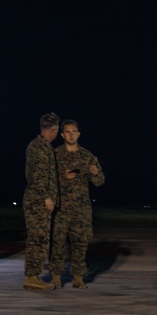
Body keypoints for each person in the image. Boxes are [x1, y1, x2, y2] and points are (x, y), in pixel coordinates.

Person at [50, 120, 105, 289]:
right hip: (61, 208)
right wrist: (62, 178)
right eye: (68, 132)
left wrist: (95, 173)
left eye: (74, 131)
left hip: (81, 209)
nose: (71, 134)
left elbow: (100, 181)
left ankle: (78, 277)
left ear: (79, 134)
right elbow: (47, 179)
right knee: (57, 243)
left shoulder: (88, 156)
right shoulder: (55, 155)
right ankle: (56, 277)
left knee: (80, 243)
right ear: (62, 135)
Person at [23, 112, 60, 291]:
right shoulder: (40, 147)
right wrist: (46, 195)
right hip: (37, 201)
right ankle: (32, 277)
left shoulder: (39, 146)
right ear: (54, 129)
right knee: (38, 239)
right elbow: (36, 176)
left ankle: (33, 275)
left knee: (39, 238)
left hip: (36, 199)